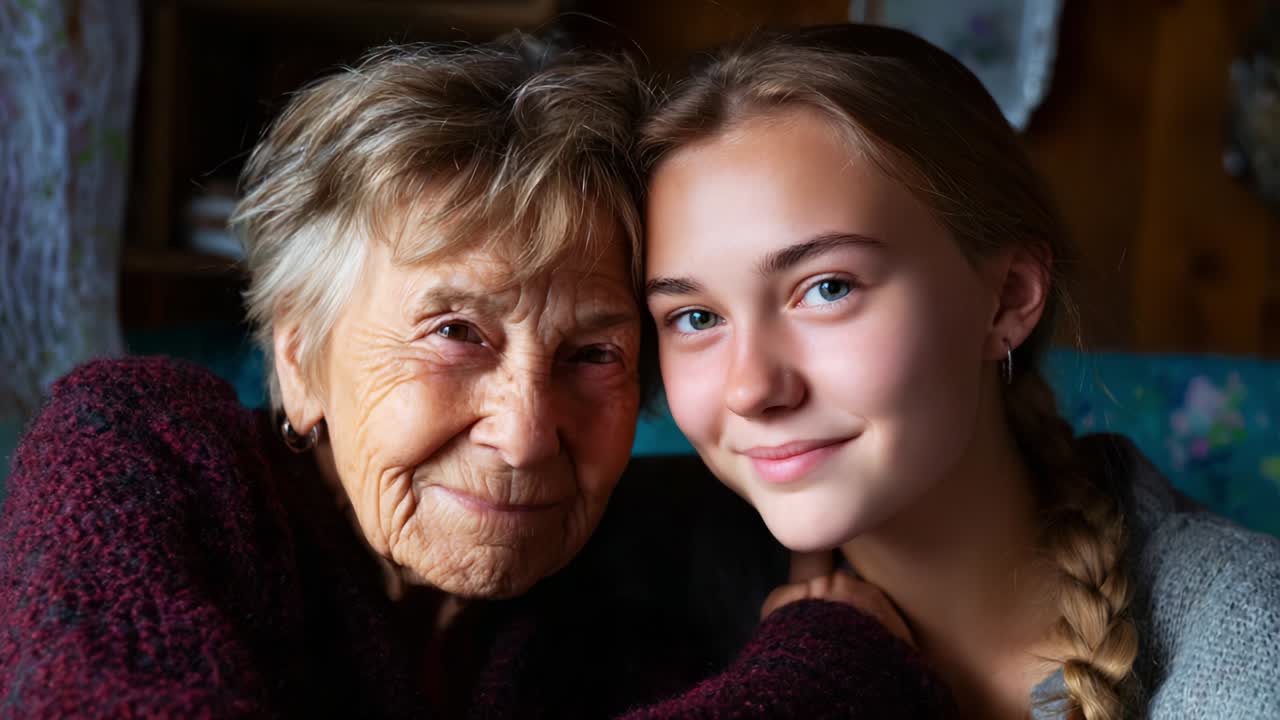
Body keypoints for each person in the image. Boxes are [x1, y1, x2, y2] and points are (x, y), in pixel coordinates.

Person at [0, 36, 952, 719]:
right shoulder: (137, 453)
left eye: (592, 353)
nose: (527, 433)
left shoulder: (623, 579)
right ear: (298, 357)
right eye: (456, 332)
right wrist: (829, 668)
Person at [639, 23, 1280, 720]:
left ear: (1006, 299)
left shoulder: (1244, 637)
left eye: (827, 288)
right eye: (696, 318)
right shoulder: (633, 600)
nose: (751, 388)